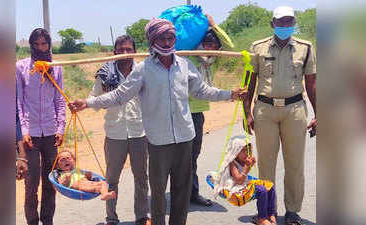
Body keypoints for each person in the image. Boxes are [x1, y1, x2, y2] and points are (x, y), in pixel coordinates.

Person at [68, 18, 247, 225]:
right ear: (152, 40)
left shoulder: (185, 65)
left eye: (170, 37)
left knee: (182, 190)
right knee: (159, 192)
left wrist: (230, 94)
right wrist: (88, 102)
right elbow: (119, 96)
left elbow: (202, 90)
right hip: (158, 142)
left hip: (185, 138)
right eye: (161, 38)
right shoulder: (143, 70)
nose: (166, 42)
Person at [243, 6, 317, 225]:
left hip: (294, 110)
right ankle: (267, 211)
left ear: (293, 23)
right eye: (281, 22)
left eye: (289, 22)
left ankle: (293, 211)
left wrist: (319, 114)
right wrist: (247, 113)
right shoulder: (257, 48)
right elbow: (249, 82)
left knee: (295, 164)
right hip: (265, 110)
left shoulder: (306, 48)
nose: (285, 26)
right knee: (266, 164)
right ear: (272, 24)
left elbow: (312, 84)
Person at [87, 35, 151, 225]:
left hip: (139, 132)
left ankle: (142, 216)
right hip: (115, 133)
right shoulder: (105, 74)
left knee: (141, 177)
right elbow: (94, 97)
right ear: (115, 52)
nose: (125, 53)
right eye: (121, 50)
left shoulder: (144, 71)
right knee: (112, 179)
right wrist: (85, 104)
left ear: (135, 51)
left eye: (129, 49)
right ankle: (111, 218)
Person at [16, 28, 66, 225]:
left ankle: (47, 221)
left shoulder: (57, 67)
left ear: (49, 45)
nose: (40, 47)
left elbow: (59, 99)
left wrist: (60, 127)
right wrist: (25, 130)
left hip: (51, 131)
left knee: (50, 181)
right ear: (31, 46)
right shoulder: (21, 67)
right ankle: (32, 221)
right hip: (31, 135)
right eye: (36, 44)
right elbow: (19, 102)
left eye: (44, 43)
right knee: (31, 182)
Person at [188, 14, 235, 207]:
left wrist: (214, 25)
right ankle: (180, 194)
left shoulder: (212, 61)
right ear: (200, 44)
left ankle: (191, 193)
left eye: (214, 46)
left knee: (193, 156)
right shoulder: (188, 56)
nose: (210, 49)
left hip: (197, 113)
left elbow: (230, 47)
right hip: (179, 112)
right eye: (206, 44)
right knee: (179, 157)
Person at [212, 136, 276, 225]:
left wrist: (250, 165)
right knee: (262, 190)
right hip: (236, 187)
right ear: (236, 151)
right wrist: (247, 167)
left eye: (249, 150)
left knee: (270, 186)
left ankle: (271, 213)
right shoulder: (233, 163)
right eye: (243, 150)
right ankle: (261, 218)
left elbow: (244, 177)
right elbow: (239, 180)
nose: (247, 153)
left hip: (244, 183)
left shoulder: (244, 160)